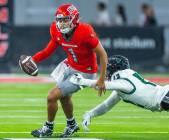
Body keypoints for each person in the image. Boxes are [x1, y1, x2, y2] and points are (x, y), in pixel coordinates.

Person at [24, 3, 108, 138]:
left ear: (74, 19)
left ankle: (48, 128)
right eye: (60, 20)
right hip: (70, 65)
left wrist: (102, 79)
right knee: (63, 96)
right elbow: (47, 51)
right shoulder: (55, 30)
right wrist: (33, 59)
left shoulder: (85, 31)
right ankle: (72, 124)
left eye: (65, 19)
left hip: (86, 72)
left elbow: (103, 54)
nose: (62, 23)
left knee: (52, 96)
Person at [70, 55, 169, 134]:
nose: (105, 74)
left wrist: (82, 81)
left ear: (114, 69)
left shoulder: (123, 80)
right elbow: (106, 105)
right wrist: (90, 114)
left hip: (168, 97)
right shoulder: (122, 86)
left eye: (107, 70)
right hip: (168, 99)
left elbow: (103, 85)